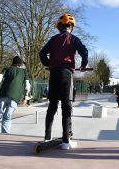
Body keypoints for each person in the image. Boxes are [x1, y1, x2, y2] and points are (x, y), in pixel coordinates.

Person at [39, 13, 88, 150]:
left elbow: (42, 53)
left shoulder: (53, 39)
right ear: (71, 27)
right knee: (66, 108)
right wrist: (83, 65)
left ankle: (47, 137)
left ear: (59, 27)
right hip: (66, 74)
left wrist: (48, 64)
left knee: (52, 106)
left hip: (54, 74)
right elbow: (84, 51)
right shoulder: (73, 38)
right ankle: (66, 141)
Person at [0, 56, 28, 133]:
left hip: (3, 94)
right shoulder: (24, 72)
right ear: (20, 64)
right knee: (7, 116)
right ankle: (5, 133)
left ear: (13, 63)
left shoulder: (7, 69)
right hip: (15, 98)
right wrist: (25, 97)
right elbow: (27, 84)